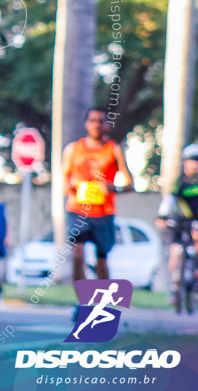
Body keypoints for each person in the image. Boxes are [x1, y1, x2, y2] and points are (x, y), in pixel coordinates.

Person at [62, 106, 134, 310]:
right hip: (77, 209)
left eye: (101, 121)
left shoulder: (113, 149)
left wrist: (113, 188)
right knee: (77, 254)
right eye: (92, 120)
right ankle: (82, 302)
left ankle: (104, 304)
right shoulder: (73, 149)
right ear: (86, 124)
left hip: (104, 212)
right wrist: (69, 187)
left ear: (107, 125)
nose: (96, 124)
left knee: (101, 261)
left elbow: (130, 184)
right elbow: (64, 179)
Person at [156, 143, 198, 306]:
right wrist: (162, 216)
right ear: (185, 161)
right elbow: (169, 200)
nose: (195, 163)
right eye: (192, 160)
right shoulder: (179, 181)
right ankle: (174, 286)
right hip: (178, 220)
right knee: (175, 252)